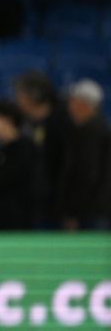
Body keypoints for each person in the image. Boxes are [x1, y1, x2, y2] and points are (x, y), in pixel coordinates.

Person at [14, 71, 70, 228]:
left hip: (59, 206)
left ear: (35, 96)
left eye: (22, 94)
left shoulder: (62, 124)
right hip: (32, 206)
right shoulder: (24, 124)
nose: (18, 99)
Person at [58, 79, 110, 230]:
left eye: (74, 101)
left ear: (86, 104)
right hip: (92, 209)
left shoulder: (91, 131)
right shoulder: (89, 129)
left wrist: (73, 212)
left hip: (90, 211)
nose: (70, 107)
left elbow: (86, 174)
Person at [0, 100, 38, 230]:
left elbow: (5, 179)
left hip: (20, 223)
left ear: (8, 120)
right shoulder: (0, 151)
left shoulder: (27, 149)